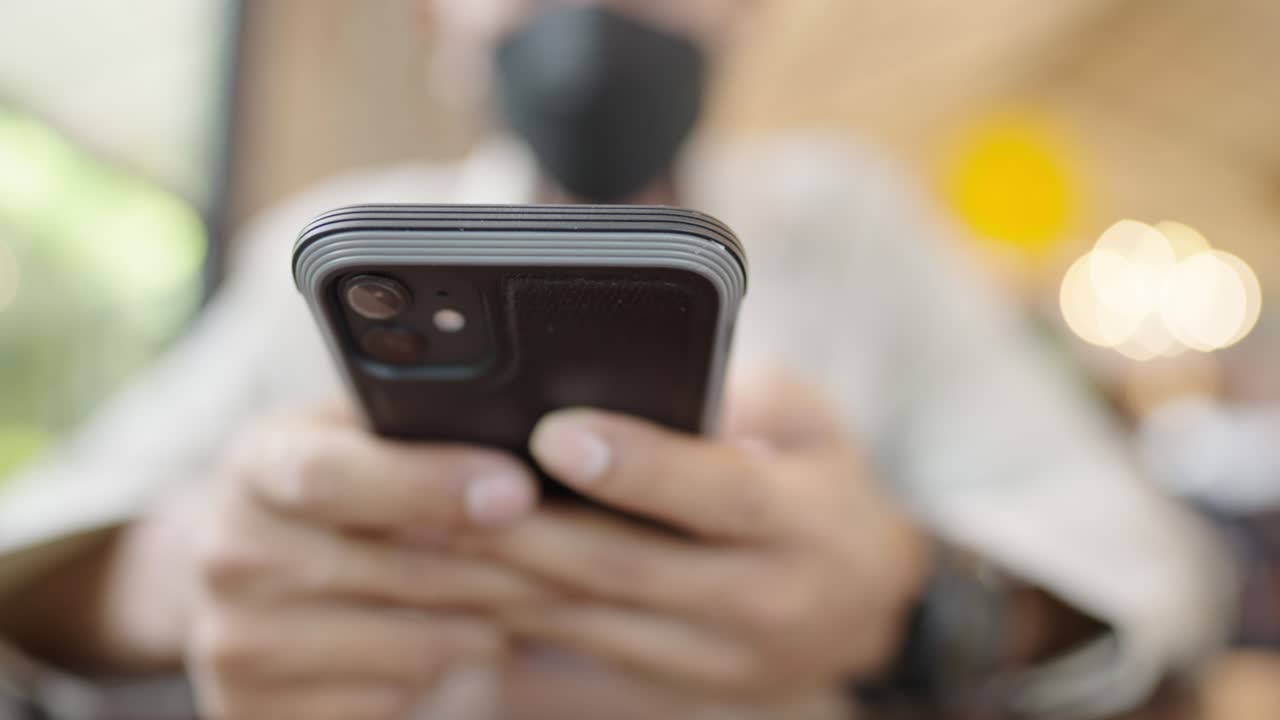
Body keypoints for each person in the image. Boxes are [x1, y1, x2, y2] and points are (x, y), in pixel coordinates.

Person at [0, 1, 1232, 718]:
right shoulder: (329, 239)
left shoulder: (854, 224)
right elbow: (44, 536)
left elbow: (1149, 562)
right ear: (440, 23)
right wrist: (165, 580)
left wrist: (906, 604)